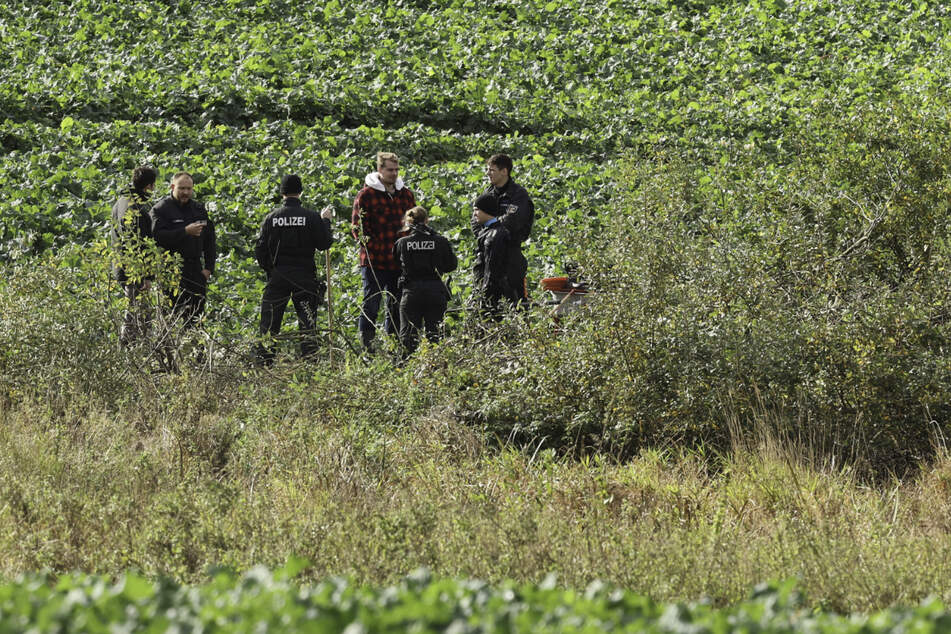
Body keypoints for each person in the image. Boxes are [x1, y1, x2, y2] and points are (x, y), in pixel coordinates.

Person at [254, 174, 334, 364]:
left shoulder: (271, 218)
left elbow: (260, 250)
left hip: (278, 277)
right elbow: (324, 243)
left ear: (282, 193)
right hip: (304, 277)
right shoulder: (311, 217)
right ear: (300, 192)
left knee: (269, 325)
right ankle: (310, 364)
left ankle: (264, 365)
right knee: (307, 324)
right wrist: (325, 221)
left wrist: (271, 271)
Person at [352, 152, 417, 351]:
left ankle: (393, 348)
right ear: (380, 169)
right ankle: (367, 349)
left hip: (399, 262)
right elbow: (358, 229)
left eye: (396, 170)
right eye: (390, 170)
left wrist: (404, 250)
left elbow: (414, 225)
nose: (394, 173)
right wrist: (380, 248)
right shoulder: (366, 195)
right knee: (371, 305)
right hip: (375, 261)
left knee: (396, 306)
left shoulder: (405, 194)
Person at [150, 172, 216, 327]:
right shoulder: (161, 210)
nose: (185, 192)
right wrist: (185, 232)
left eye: (189, 189)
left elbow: (210, 241)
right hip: (170, 270)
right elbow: (157, 237)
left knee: (196, 319)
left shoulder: (198, 209)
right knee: (169, 318)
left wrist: (208, 268)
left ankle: (195, 343)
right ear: (172, 187)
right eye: (181, 188)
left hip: (195, 271)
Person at [470, 154, 535, 305]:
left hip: (510, 255)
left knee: (515, 302)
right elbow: (475, 221)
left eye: (492, 170)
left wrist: (494, 229)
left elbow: (514, 221)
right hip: (487, 253)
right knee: (485, 299)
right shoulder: (487, 193)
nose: (488, 173)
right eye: (487, 169)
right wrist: (487, 236)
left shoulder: (518, 194)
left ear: (504, 171)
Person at [393, 206, 457, 356]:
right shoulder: (440, 241)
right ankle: (436, 365)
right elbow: (451, 265)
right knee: (436, 336)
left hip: (411, 292)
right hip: (435, 291)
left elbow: (396, 264)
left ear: (408, 222)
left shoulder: (402, 243)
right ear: (427, 220)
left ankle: (405, 367)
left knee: (408, 338)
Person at [111, 165, 157, 345]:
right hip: (133, 271)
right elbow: (136, 245)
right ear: (149, 186)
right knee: (137, 315)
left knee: (135, 312)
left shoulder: (121, 201)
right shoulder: (135, 209)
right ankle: (132, 351)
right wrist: (146, 276)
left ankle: (136, 349)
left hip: (122, 267)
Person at [472, 192, 519, 319]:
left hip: (496, 294)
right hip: (493, 291)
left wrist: (484, 295)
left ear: (486, 210)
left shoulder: (495, 235)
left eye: (476, 210)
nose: (474, 214)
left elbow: (492, 269)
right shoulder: (489, 232)